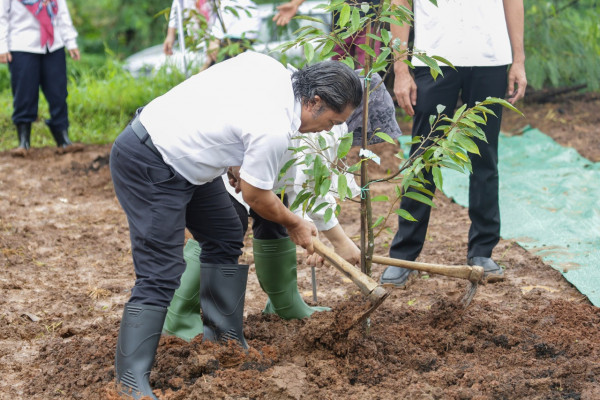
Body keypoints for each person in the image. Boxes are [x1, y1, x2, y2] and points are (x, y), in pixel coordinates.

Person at [109, 50, 362, 399]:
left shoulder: (272, 68)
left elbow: (222, 95)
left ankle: (224, 342)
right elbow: (257, 197)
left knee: (226, 232)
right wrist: (295, 224)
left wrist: (234, 154)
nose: (328, 130)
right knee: (161, 272)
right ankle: (129, 382)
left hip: (192, 163)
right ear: (315, 101)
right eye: (333, 121)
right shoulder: (273, 128)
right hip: (150, 161)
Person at [163, 71, 402, 342]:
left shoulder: (326, 124)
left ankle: (284, 304)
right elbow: (303, 187)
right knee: (225, 227)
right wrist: (330, 237)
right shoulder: (322, 130)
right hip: (239, 172)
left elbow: (310, 184)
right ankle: (180, 317)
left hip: (271, 177)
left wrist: (332, 239)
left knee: (274, 225)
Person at [381, 0, 527, 287]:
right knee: (423, 156)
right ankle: (404, 255)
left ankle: (482, 251)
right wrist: (400, 68)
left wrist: (518, 60)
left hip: (490, 59)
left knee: (485, 157)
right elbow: (398, 3)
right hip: (433, 59)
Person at [0, 0, 83, 157]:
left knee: (58, 93)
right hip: (22, 44)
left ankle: (63, 139)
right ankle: (23, 142)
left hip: (53, 44)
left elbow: (62, 13)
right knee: (24, 94)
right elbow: (1, 16)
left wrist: (71, 42)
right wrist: (1, 46)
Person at [273, 0, 381, 67]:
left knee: (369, 70)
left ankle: (369, 102)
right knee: (338, 72)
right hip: (340, 27)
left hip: (369, 24)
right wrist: (295, 3)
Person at [163, 0, 259, 68]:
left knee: (221, 71)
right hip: (222, 33)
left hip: (241, 25)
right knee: (213, 71)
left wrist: (215, 39)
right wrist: (171, 33)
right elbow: (178, 4)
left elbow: (227, 7)